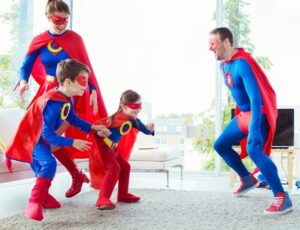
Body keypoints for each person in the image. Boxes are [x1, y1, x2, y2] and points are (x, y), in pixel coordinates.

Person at [14, 0, 136, 196]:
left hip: (72, 93)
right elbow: (25, 66)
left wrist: (93, 90)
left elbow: (86, 67)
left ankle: (67, 181)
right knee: (35, 136)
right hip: (48, 93)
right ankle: (69, 178)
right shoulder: (39, 40)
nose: (62, 23)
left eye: (66, 19)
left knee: (54, 137)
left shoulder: (75, 39)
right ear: (48, 17)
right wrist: (23, 81)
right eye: (57, 19)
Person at [5, 59, 111, 221]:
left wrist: (92, 127)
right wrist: (72, 142)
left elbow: (73, 118)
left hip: (41, 138)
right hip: (31, 140)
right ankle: (34, 201)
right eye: (83, 81)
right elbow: (47, 135)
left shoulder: (66, 98)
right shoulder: (53, 102)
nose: (86, 86)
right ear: (68, 81)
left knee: (47, 163)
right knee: (48, 163)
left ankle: (45, 196)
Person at [209, 27, 292, 215]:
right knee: (220, 145)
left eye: (214, 44)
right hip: (244, 115)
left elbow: (256, 99)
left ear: (227, 42)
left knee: (255, 150)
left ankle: (282, 197)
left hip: (258, 113)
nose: (211, 49)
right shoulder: (224, 65)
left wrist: (254, 128)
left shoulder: (243, 63)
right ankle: (247, 179)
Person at [91, 90, 155, 210]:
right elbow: (96, 127)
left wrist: (150, 129)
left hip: (112, 148)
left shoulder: (133, 119)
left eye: (140, 105)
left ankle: (123, 194)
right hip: (103, 147)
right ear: (123, 106)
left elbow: (145, 130)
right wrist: (100, 132)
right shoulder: (115, 119)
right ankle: (102, 198)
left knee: (125, 167)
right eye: (134, 106)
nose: (138, 109)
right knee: (114, 168)